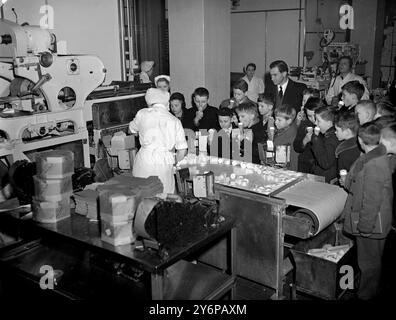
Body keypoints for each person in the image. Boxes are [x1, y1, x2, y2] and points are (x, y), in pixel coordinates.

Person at [341, 122, 393, 300]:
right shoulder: (372, 155)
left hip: (371, 223)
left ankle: (365, 295)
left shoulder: (375, 164)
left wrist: (364, 227)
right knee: (367, 259)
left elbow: (371, 201)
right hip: (370, 220)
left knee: (369, 263)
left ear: (360, 140)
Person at [129, 88, 188, 194]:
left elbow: (131, 129)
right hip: (163, 162)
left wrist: (139, 133)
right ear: (167, 103)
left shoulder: (142, 114)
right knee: (163, 197)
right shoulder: (174, 120)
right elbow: (182, 150)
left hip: (144, 160)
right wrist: (174, 163)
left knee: (141, 196)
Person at [293, 97, 324, 173]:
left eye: (315, 116)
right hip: (305, 163)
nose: (313, 119)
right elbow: (296, 147)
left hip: (320, 165)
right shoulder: (305, 124)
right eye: (309, 116)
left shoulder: (325, 124)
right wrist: (305, 140)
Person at [309, 106, 340, 183]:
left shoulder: (331, 139)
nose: (315, 123)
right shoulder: (327, 135)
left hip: (327, 179)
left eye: (318, 121)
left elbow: (325, 163)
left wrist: (316, 140)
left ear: (329, 123)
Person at [334, 112, 361, 177]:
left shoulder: (344, 152)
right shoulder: (360, 144)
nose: (335, 132)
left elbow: (341, 173)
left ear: (347, 132)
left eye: (337, 130)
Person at [273, 104, 298, 171]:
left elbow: (293, 160)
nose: (275, 122)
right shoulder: (285, 129)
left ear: (289, 120)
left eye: (279, 120)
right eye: (275, 119)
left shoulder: (289, 137)